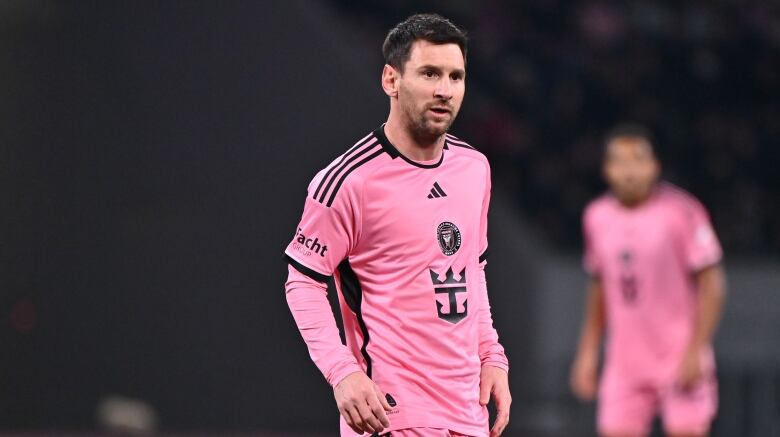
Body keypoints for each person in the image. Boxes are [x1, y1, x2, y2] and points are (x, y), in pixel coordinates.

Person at [283, 13, 511, 437]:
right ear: (391, 80)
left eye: (455, 76)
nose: (444, 90)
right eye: (429, 74)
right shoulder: (347, 181)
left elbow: (469, 271)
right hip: (391, 416)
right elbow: (302, 282)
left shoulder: (474, 168)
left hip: (467, 414)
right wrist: (342, 372)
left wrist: (491, 355)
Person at [570, 124, 727, 437]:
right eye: (620, 161)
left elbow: (713, 283)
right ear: (607, 169)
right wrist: (587, 352)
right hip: (624, 363)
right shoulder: (596, 217)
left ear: (654, 166)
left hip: (678, 355)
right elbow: (599, 286)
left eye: (638, 160)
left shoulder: (682, 211)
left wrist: (697, 348)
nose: (629, 170)